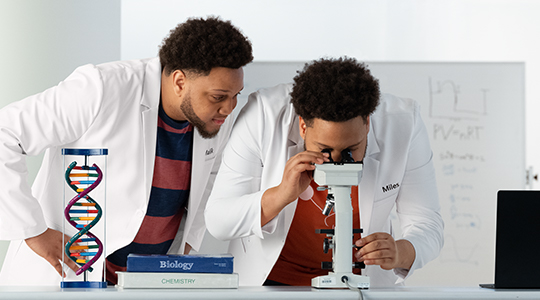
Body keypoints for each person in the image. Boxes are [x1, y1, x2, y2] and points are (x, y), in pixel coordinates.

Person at [0, 16, 253, 285]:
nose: (229, 107)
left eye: (236, 95)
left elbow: (207, 182)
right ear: (179, 81)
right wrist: (33, 230)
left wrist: (187, 243)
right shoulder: (102, 87)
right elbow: (6, 133)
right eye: (219, 97)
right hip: (66, 275)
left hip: (143, 283)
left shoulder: (214, 118)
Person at [205, 57, 444, 287]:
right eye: (325, 150)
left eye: (351, 149)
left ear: (368, 123)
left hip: (359, 286)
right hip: (273, 284)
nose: (337, 162)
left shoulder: (402, 123)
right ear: (302, 126)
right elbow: (218, 221)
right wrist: (280, 195)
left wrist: (400, 252)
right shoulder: (264, 114)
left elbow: (428, 224)